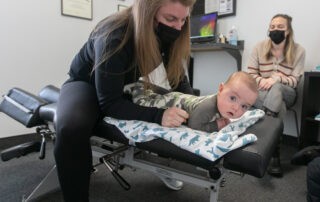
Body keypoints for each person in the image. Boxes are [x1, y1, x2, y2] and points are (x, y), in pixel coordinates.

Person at [55, 0, 197, 201]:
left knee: (172, 104)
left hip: (121, 86)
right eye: (171, 18)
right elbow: (110, 103)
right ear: (148, 12)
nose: (178, 27)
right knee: (70, 127)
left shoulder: (168, 31)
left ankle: (164, 166)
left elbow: (178, 80)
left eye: (183, 19)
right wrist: (159, 115)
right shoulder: (113, 34)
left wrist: (196, 106)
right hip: (85, 84)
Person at [247, 14, 306, 177]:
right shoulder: (258, 47)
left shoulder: (299, 50)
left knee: (278, 88)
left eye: (280, 27)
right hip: (263, 94)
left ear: (288, 31)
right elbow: (250, 74)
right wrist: (263, 81)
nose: (275, 30)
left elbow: (295, 80)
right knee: (278, 104)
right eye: (272, 27)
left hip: (288, 93)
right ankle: (275, 152)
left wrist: (276, 79)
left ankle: (266, 131)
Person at [132, 71, 259, 132]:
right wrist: (216, 126)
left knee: (155, 96)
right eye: (232, 98)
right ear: (220, 89)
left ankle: (147, 89)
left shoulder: (223, 106)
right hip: (172, 101)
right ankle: (136, 87)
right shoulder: (208, 107)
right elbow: (194, 124)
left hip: (180, 97)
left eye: (244, 106)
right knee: (143, 103)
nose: (236, 108)